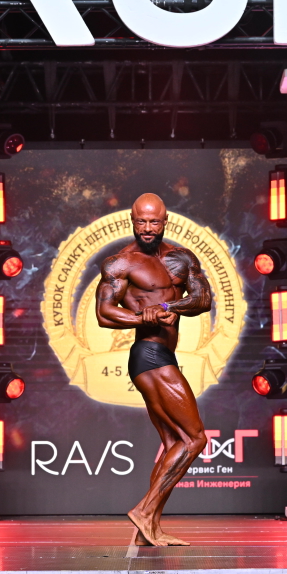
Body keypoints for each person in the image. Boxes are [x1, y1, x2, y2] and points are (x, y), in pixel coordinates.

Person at [95, 193, 212, 547]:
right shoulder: (121, 263)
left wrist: (167, 306)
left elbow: (203, 299)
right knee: (195, 438)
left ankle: (150, 530)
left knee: (174, 442)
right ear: (132, 221)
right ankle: (145, 511)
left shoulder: (181, 257)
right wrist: (141, 317)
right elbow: (104, 314)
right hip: (148, 354)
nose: (148, 228)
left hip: (162, 355)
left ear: (165, 221)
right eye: (141, 222)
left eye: (154, 222)